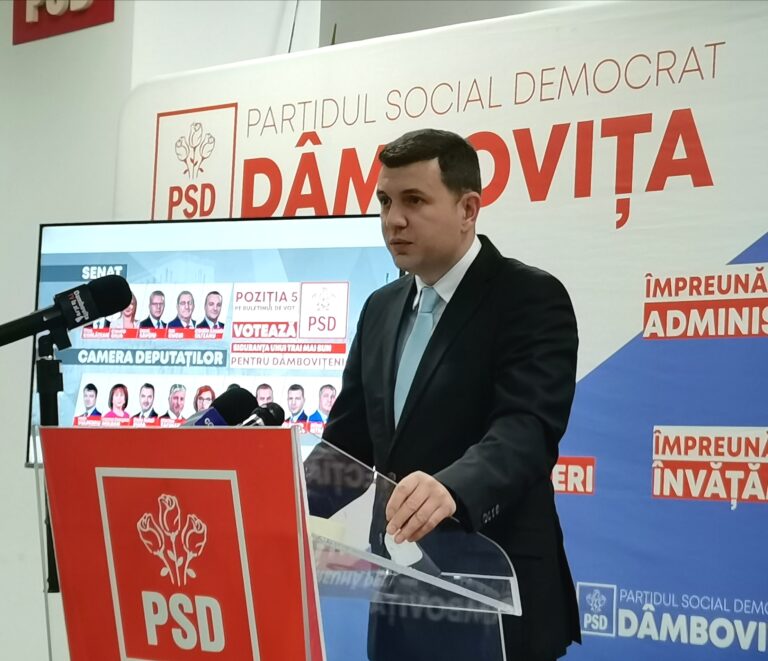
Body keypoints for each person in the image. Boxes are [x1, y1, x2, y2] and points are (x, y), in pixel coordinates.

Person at [305, 129, 580, 661]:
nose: (393, 220)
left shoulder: (528, 297)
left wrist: (452, 487)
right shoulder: (380, 308)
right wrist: (276, 502)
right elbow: (348, 445)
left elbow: (525, 430)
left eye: (414, 201)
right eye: (385, 201)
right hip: (398, 595)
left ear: (468, 209)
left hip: (495, 593)